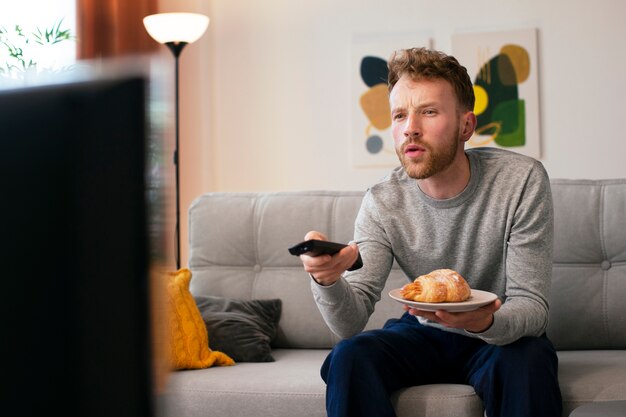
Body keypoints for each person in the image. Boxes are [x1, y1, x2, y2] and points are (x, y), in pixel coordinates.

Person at [299, 47, 562, 417]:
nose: (410, 127)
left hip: (500, 333)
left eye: (429, 111)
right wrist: (328, 280)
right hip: (422, 331)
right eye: (400, 114)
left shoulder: (520, 181)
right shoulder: (382, 201)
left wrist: (482, 320)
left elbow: (532, 307)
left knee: (529, 359)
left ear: (466, 126)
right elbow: (350, 320)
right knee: (350, 356)